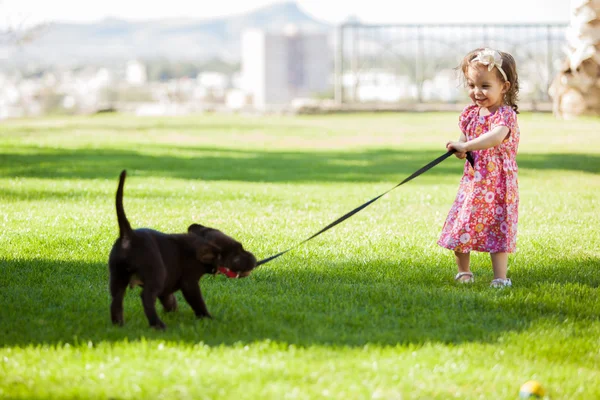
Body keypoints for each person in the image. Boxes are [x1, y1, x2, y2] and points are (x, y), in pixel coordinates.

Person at [438, 48, 520, 288]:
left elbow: (494, 138)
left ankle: (500, 277)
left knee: (498, 228)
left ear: (504, 87)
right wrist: (461, 149)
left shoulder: (505, 116)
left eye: (485, 86)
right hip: (473, 183)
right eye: (472, 85)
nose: (477, 92)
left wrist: (467, 144)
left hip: (498, 184)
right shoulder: (470, 115)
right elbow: (465, 138)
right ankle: (464, 272)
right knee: (462, 222)